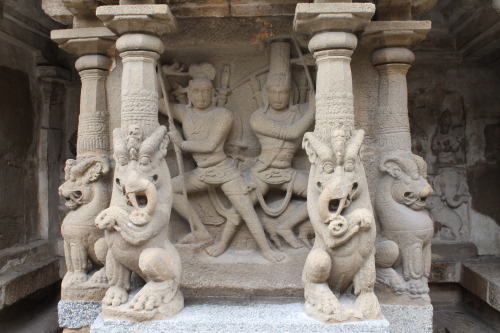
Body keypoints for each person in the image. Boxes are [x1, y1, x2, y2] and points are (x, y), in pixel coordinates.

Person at [159, 63, 285, 263]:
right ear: (189, 93)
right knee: (169, 190)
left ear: (213, 94)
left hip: (223, 170)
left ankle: (266, 250)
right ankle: (201, 232)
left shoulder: (222, 115)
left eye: (206, 92)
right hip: (201, 173)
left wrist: (181, 143)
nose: (201, 96)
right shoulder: (184, 113)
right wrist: (163, 74)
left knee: (246, 211)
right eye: (196, 92)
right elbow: (159, 102)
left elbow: (210, 145)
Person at [206, 73, 315, 255]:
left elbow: (319, 103)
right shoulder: (258, 118)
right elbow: (291, 133)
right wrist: (311, 111)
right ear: (266, 95)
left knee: (318, 194)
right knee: (239, 209)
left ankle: (286, 227)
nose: (279, 97)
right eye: (274, 93)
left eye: (283, 93)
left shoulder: (296, 112)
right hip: (263, 172)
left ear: (290, 94)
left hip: (287, 172)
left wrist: (315, 100)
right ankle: (222, 244)